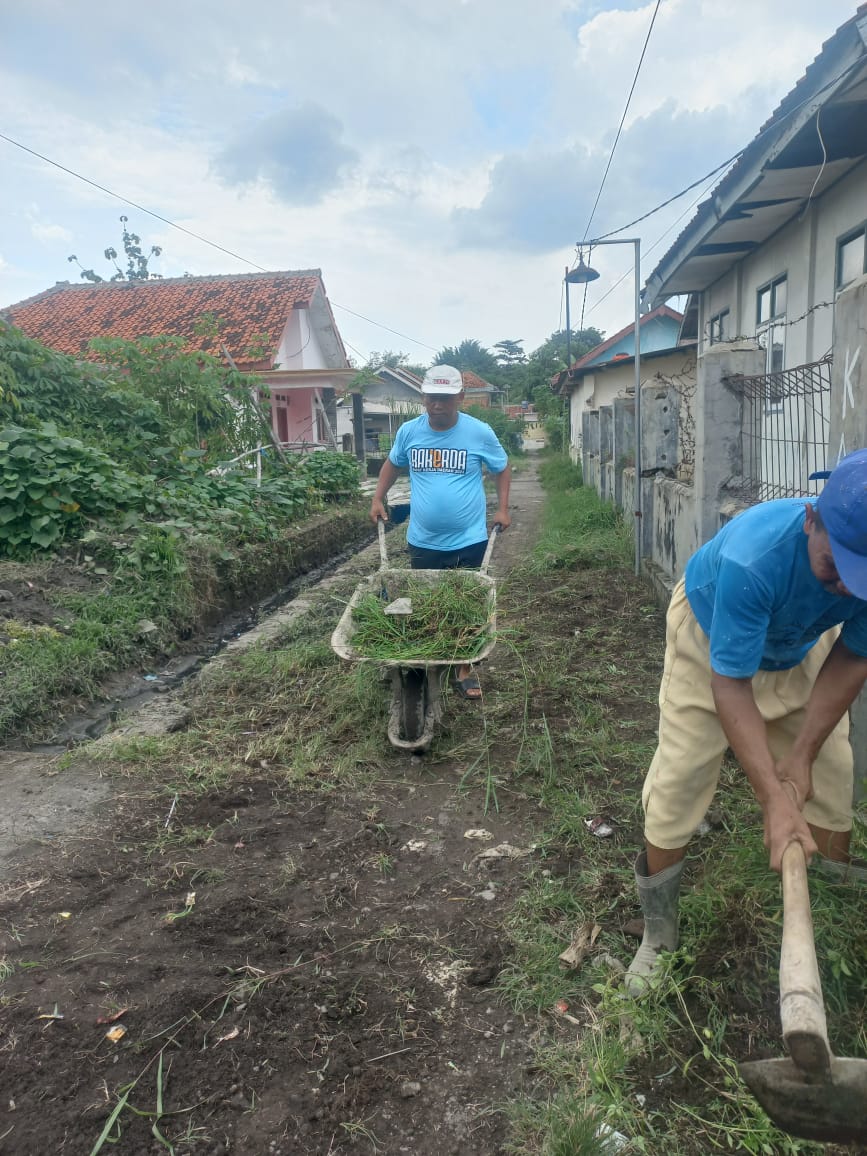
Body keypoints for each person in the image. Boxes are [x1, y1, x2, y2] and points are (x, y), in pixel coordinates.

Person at [626, 447, 867, 996]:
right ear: (811, 520)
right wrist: (773, 800)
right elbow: (731, 685)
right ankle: (659, 932)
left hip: (799, 642)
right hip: (711, 638)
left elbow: (854, 656)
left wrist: (801, 756)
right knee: (683, 774)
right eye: (837, 568)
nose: (849, 588)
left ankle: (825, 919)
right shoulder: (754, 559)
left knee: (830, 776)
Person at [369, 364, 511, 700]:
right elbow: (393, 463)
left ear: (460, 397)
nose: (437, 404)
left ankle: (464, 667)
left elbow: (501, 468)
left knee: (468, 604)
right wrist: (377, 498)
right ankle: (427, 658)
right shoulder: (409, 432)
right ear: (423, 396)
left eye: (445, 398)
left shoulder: (479, 432)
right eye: (432, 397)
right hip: (423, 540)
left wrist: (503, 508)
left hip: (469, 538)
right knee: (426, 604)